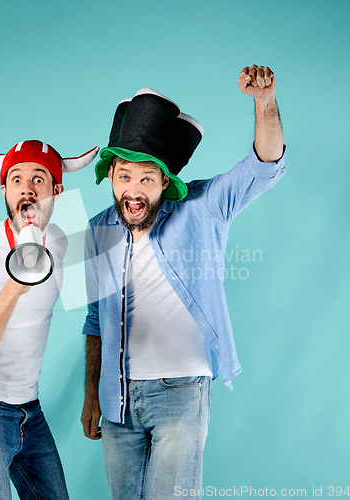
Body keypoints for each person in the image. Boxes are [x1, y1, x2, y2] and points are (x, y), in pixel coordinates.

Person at [80, 65, 285, 499]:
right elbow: (94, 320)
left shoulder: (202, 207)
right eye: (124, 176)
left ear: (165, 182)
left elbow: (263, 167)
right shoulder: (98, 229)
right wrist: (91, 394)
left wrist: (264, 103)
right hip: (117, 398)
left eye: (146, 179)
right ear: (110, 176)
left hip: (180, 392)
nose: (133, 191)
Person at [0, 140, 98, 500]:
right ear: (4, 189)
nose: (26, 188)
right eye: (16, 179)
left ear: (57, 190)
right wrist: (15, 288)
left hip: (29, 406)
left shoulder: (64, 238)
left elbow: (98, 309)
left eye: (39, 179)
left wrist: (93, 393)